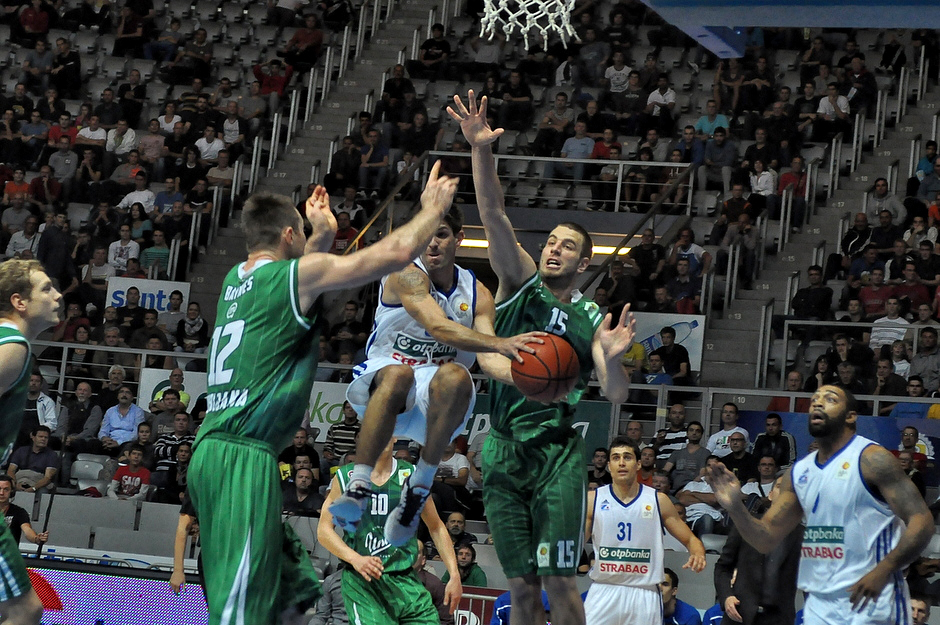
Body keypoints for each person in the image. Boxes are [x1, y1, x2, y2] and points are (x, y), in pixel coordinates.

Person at [188, 165, 457, 625]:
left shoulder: (236, 279)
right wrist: (432, 210)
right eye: (302, 232)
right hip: (241, 456)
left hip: (216, 449)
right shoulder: (292, 276)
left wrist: (322, 234)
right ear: (289, 234)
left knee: (286, 594)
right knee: (240, 610)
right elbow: (392, 254)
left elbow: (302, 284)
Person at [449, 91, 637, 625]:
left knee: (560, 582)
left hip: (557, 454)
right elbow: (493, 213)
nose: (554, 249)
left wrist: (613, 359)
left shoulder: (589, 318)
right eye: (551, 241)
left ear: (584, 261)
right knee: (521, 588)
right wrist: (481, 149)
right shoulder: (519, 281)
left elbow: (617, 394)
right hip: (503, 450)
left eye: (566, 246)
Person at [329, 206, 541, 545]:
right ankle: (358, 487)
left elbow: (489, 362)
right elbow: (438, 326)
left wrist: (532, 382)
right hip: (387, 387)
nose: (432, 243)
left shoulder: (478, 294)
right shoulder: (405, 274)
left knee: (457, 374)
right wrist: (501, 342)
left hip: (437, 402)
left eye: (441, 235)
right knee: (400, 375)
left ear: (459, 238)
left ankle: (420, 486)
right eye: (425, 236)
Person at [706, 386, 934, 625]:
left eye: (830, 399)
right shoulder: (799, 473)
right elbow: (765, 539)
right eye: (814, 399)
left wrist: (884, 569)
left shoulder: (872, 458)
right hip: (821, 606)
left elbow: (922, 521)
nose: (817, 403)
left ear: (851, 416)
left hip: (873, 600)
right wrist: (735, 506)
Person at [318, 439, 462, 624]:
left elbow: (436, 526)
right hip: (364, 583)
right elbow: (324, 530)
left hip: (405, 580)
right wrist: (354, 558)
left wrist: (454, 574)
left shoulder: (412, 475)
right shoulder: (346, 476)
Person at [583, 438, 705, 625]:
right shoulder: (593, 499)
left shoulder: (658, 500)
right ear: (608, 466)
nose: (621, 463)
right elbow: (576, 543)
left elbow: (690, 539)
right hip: (604, 588)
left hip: (644, 591)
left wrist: (697, 552)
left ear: (638, 464)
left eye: (627, 457)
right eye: (615, 458)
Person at [0, 259, 61, 623]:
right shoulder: (13, 346)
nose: (58, 295)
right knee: (25, 611)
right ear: (19, 301)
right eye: (46, 288)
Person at [715, 476, 801, 625]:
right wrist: (727, 596)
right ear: (770, 494)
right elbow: (723, 567)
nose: (784, 492)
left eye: (790, 489)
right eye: (780, 486)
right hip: (739, 614)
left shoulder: (803, 535)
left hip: (779, 619)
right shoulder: (746, 524)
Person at [7, 425, 58, 493]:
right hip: (19, 480)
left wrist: (33, 488)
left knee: (43, 491)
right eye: (40, 436)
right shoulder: (21, 451)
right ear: (33, 437)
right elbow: (10, 471)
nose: (43, 439)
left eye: (46, 437)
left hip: (38, 483)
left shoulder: (52, 455)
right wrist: (15, 485)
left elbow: (48, 478)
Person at [663, 421, 709, 494]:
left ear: (701, 435)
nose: (694, 433)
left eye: (697, 431)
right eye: (691, 430)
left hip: (693, 490)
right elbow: (665, 471)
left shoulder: (705, 453)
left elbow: (702, 475)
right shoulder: (676, 453)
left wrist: (687, 488)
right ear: (687, 433)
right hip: (673, 490)